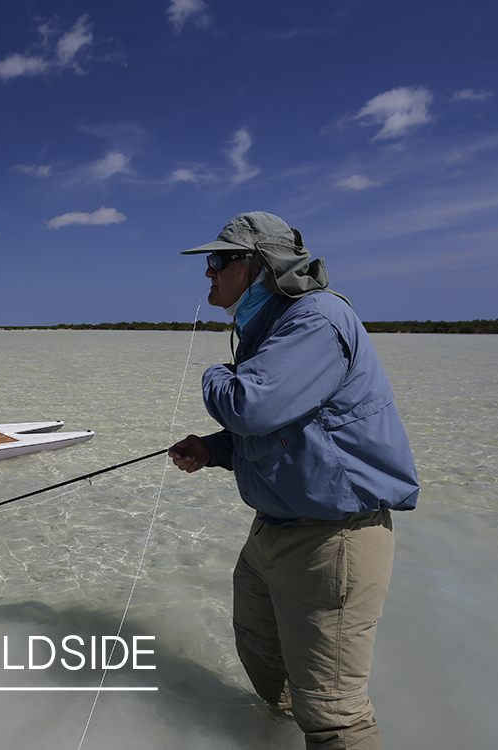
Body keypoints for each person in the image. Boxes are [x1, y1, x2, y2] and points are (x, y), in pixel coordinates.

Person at [167, 212, 419, 750]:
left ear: (258, 265)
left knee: (333, 717)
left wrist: (214, 374)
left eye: (218, 260)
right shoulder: (271, 324)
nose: (207, 273)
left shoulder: (314, 320)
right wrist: (213, 449)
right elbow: (285, 429)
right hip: (273, 531)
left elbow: (249, 405)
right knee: (266, 664)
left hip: (333, 538)